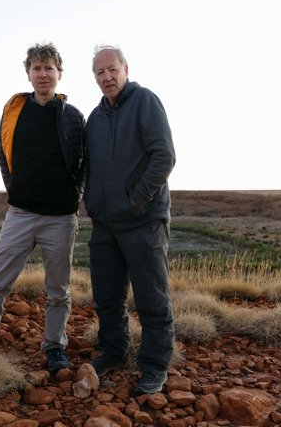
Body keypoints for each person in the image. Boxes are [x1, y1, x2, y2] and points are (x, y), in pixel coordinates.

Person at [0, 42, 87, 374]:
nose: (43, 74)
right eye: (37, 68)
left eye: (49, 68)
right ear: (28, 74)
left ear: (59, 74)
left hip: (60, 219)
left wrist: (74, 196)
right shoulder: (14, 110)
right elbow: (3, 156)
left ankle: (55, 347)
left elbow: (84, 163)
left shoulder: (72, 116)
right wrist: (15, 189)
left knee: (58, 291)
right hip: (20, 214)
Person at [84, 45, 176, 394]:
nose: (106, 77)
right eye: (99, 73)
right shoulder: (95, 118)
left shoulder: (145, 101)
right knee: (107, 297)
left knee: (151, 298)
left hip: (143, 221)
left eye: (112, 70)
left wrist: (136, 199)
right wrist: (91, 201)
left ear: (125, 69)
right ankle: (114, 352)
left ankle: (154, 366)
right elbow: (89, 167)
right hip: (105, 224)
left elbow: (164, 156)